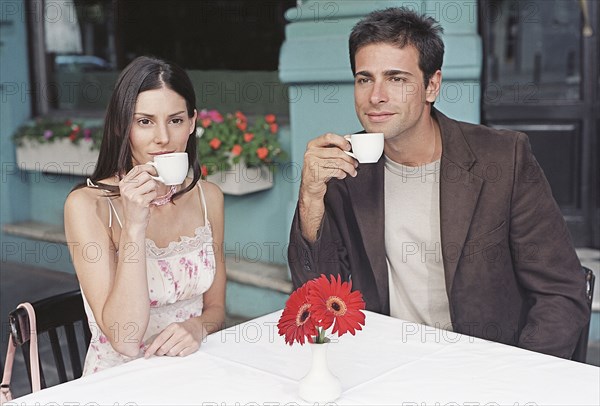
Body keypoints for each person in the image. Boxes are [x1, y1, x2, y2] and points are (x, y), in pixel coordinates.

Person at [288, 7, 590, 359]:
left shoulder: (504, 159)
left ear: (432, 85)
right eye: (364, 78)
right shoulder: (345, 167)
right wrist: (311, 197)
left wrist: (518, 377)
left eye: (397, 79)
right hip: (386, 362)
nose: (376, 96)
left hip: (485, 365)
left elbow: (561, 292)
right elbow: (318, 296)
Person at [65, 56, 226, 374]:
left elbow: (216, 308)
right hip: (122, 380)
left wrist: (198, 327)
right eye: (145, 121)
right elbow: (125, 339)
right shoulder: (87, 206)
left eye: (176, 120)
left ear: (192, 123)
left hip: (192, 370)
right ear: (121, 127)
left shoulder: (209, 198)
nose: (163, 137)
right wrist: (135, 224)